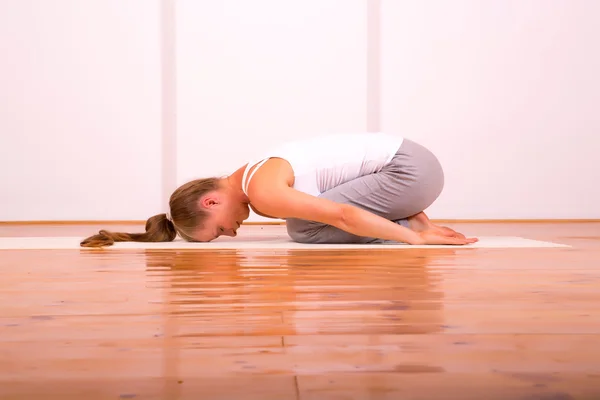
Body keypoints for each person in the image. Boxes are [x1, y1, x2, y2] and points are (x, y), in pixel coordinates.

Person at [80, 132, 478, 247]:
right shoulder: (254, 175)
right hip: (414, 168)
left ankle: (414, 230)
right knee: (304, 219)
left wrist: (413, 239)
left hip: (409, 171)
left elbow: (343, 214)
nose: (233, 233)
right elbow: (354, 190)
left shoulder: (264, 189)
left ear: (211, 200)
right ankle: (414, 221)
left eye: (220, 229)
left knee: (302, 228)